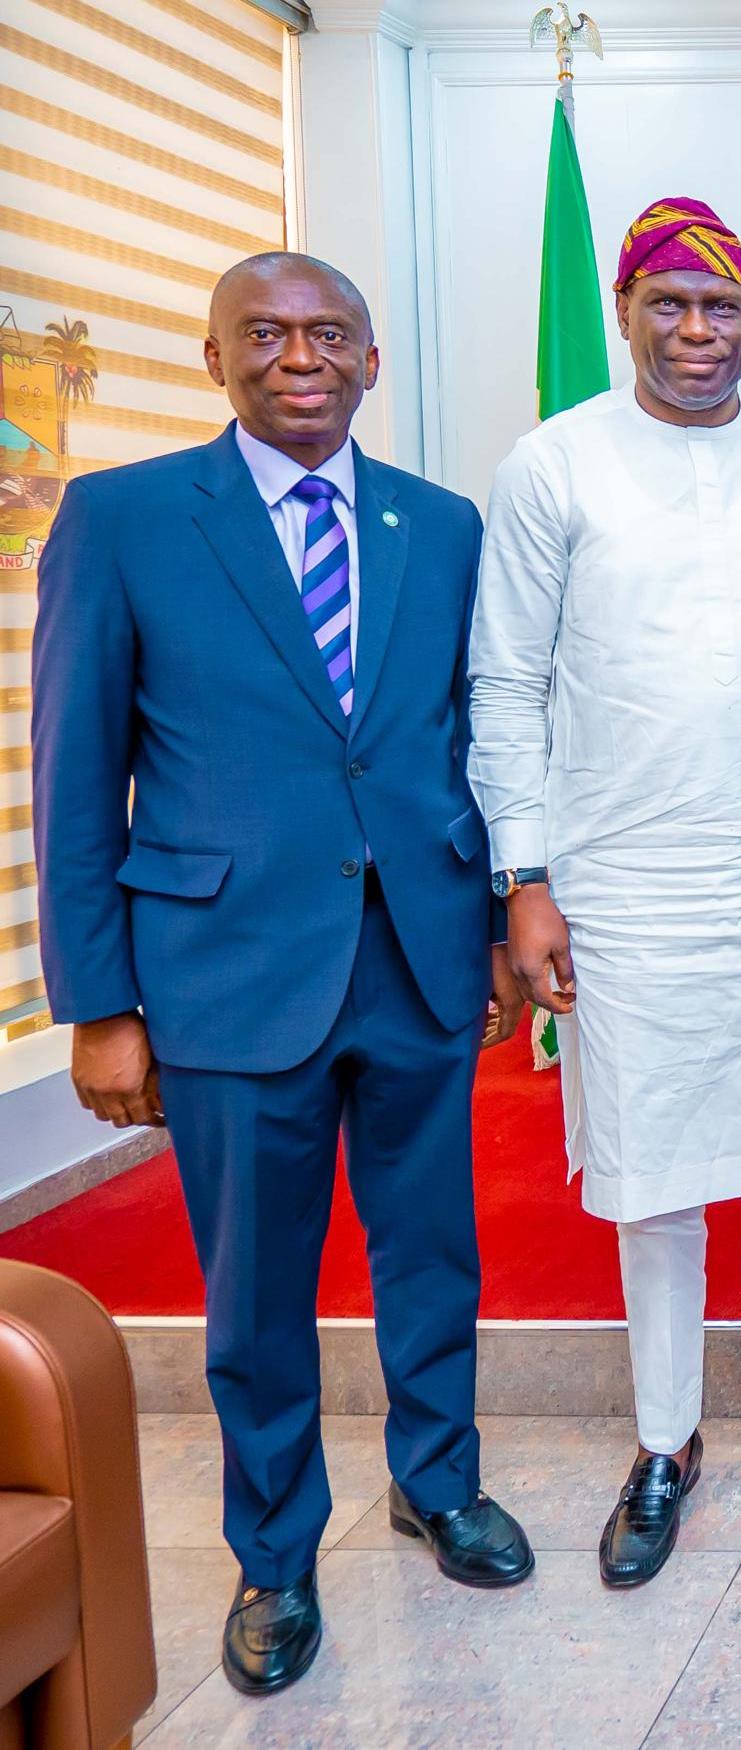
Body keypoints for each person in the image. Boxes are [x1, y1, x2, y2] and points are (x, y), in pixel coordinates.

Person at [30, 252, 534, 1696]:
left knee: (434, 1252)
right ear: (213, 358)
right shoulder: (124, 519)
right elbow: (74, 771)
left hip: (420, 955)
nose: (298, 356)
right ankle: (275, 1549)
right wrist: (102, 1005)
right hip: (225, 971)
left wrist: (499, 922)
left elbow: (463, 735)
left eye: (328, 334)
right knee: (254, 1284)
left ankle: (439, 1483)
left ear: (373, 361)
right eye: (265, 333)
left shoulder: (439, 526)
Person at [469, 197, 741, 1589]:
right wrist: (525, 876)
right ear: (629, 311)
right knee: (650, 1182)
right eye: (669, 305)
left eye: (722, 308)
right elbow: (505, 680)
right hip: (621, 876)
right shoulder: (553, 462)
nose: (697, 332)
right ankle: (663, 1438)